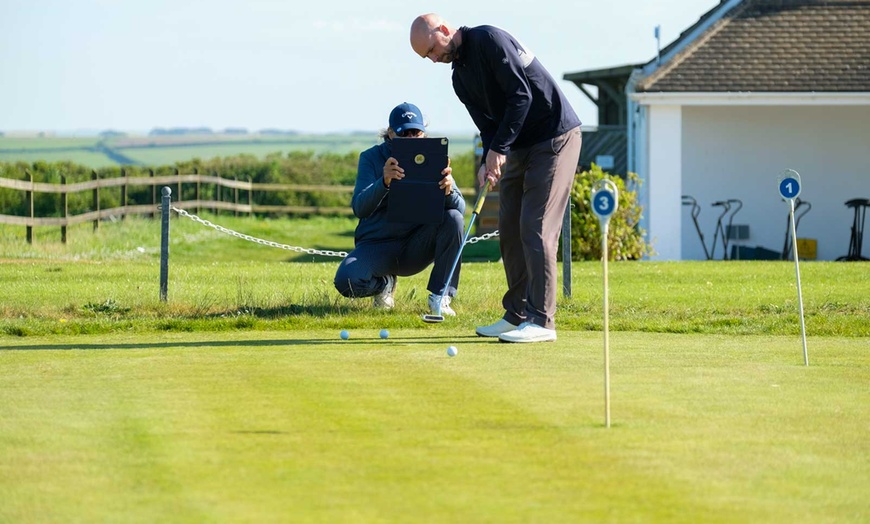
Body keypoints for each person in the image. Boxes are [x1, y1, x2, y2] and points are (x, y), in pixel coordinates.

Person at [410, 14, 582, 343]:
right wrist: (488, 157)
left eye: (432, 49)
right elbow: (488, 126)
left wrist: (498, 149)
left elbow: (522, 96)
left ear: (444, 30)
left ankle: (542, 321)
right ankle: (517, 314)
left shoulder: (489, 40)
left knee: (536, 225)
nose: (433, 59)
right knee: (510, 228)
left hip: (554, 137)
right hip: (519, 144)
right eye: (426, 57)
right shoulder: (459, 78)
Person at [334, 102, 466, 316]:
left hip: (417, 245)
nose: (411, 138)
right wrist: (384, 182)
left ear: (424, 133)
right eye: (404, 133)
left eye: (416, 132)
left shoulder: (434, 156)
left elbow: (461, 209)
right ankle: (383, 284)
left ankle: (440, 297)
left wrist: (448, 191)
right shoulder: (370, 158)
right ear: (390, 133)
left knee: (453, 218)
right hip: (378, 245)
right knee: (346, 281)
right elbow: (360, 207)